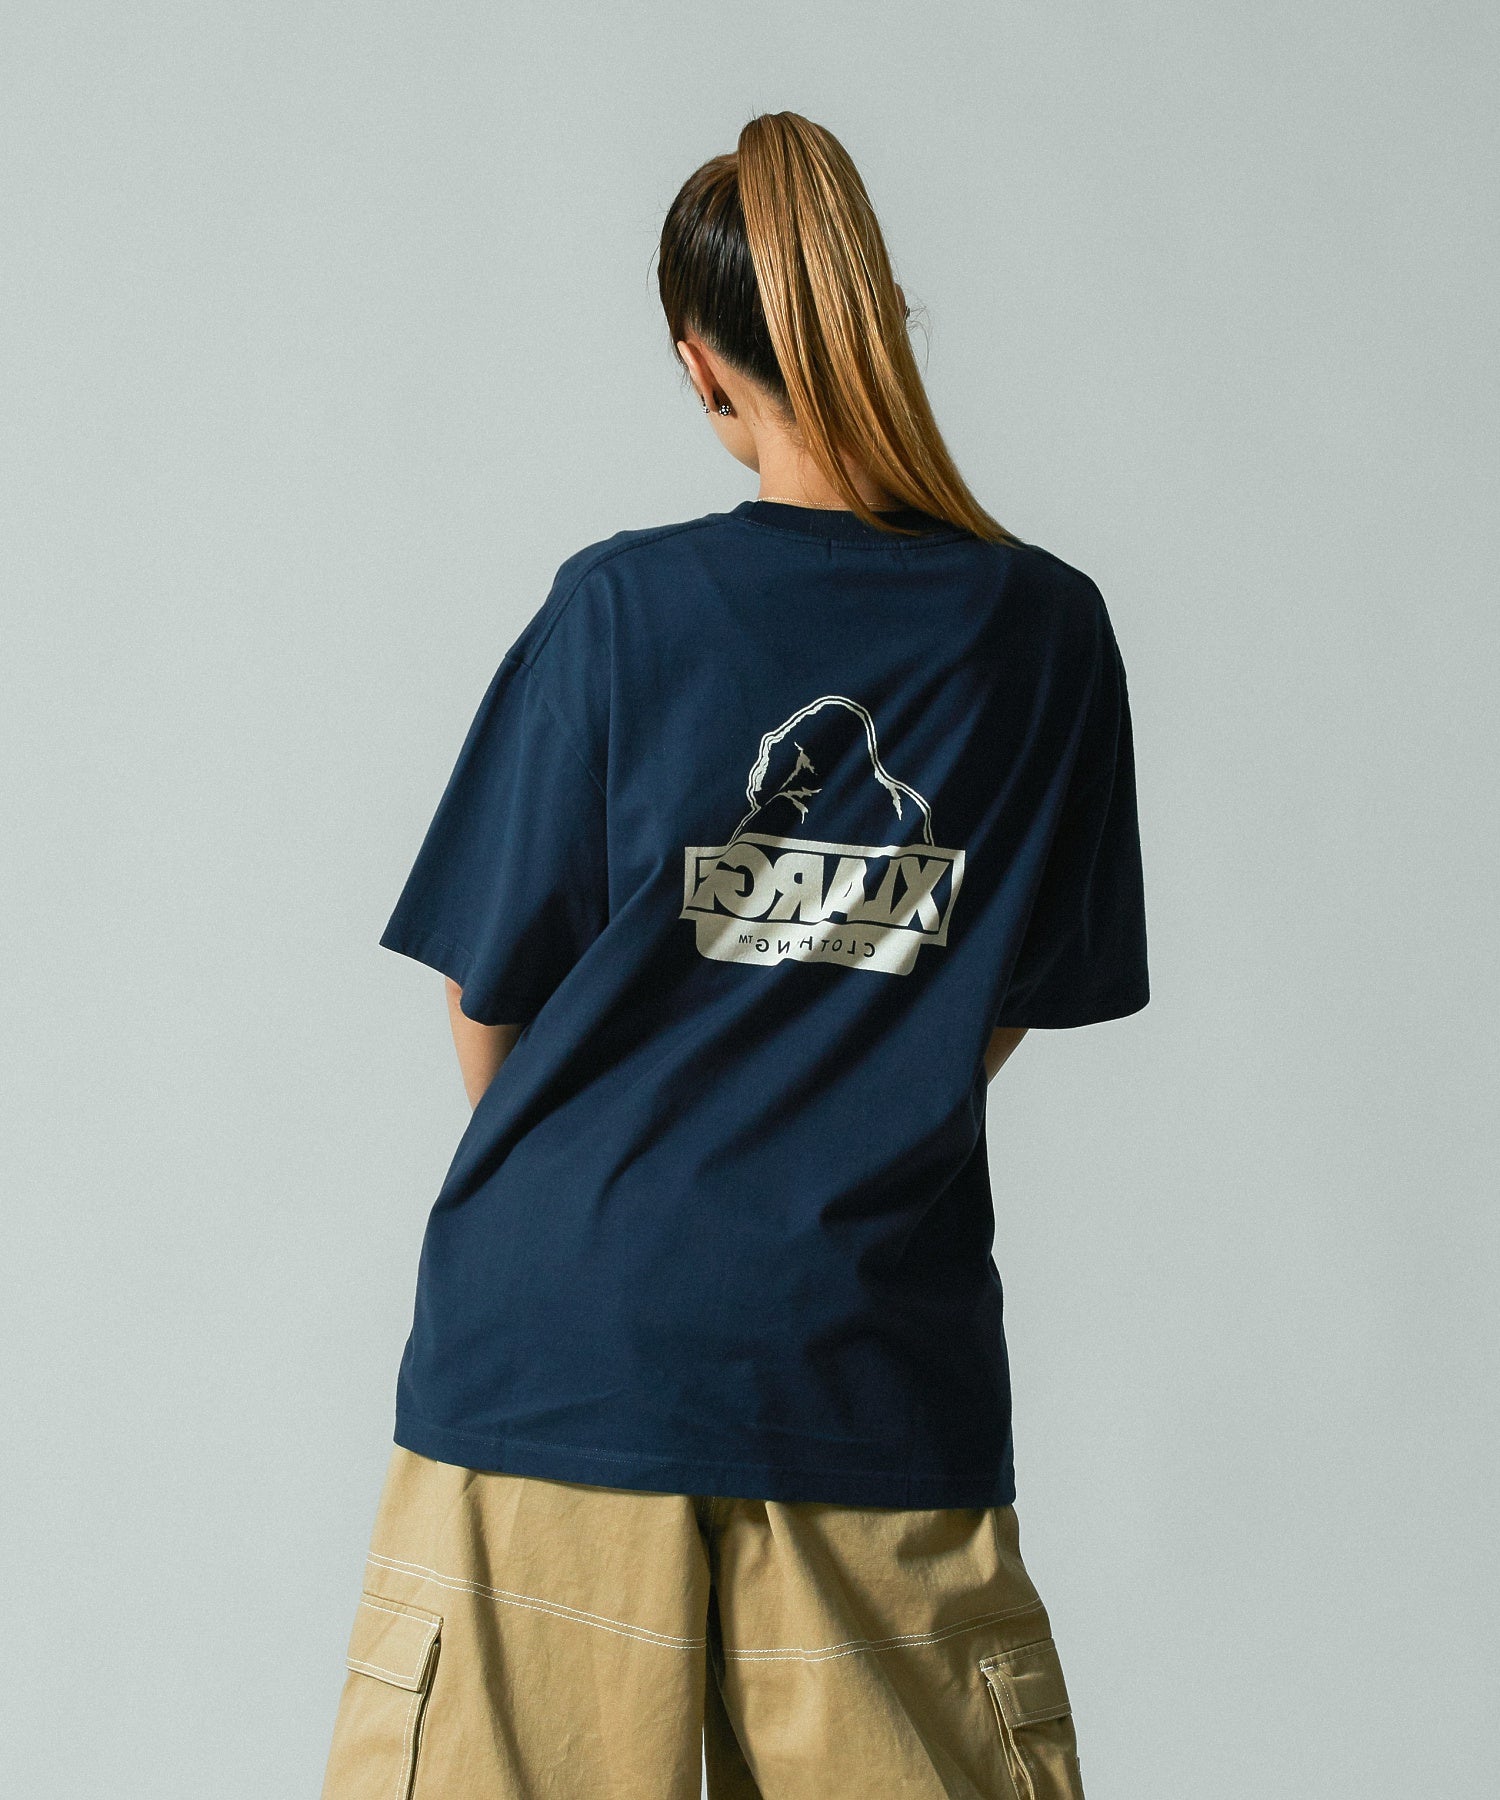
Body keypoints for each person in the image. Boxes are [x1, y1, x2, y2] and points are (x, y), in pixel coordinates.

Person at [320, 110, 1148, 1800]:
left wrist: (617, 1179)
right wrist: (844, 1072)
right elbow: (988, 1004)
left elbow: (492, 1001)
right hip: (861, 1355)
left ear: (702, 370)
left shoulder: (619, 611)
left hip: (557, 1350)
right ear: (883, 317)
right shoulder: (1045, 635)